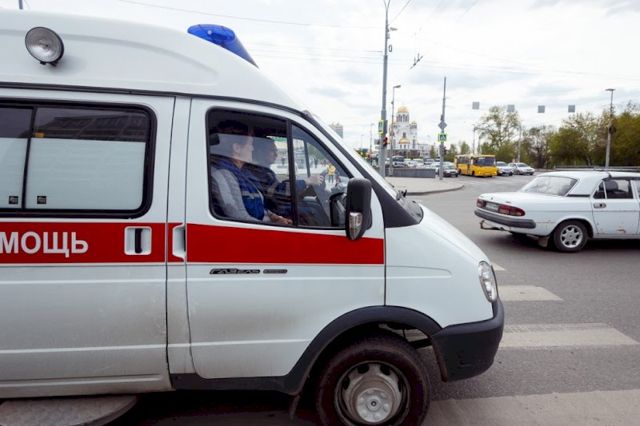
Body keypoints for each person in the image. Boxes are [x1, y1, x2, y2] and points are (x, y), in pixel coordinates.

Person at [209, 120, 291, 225]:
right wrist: (274, 226)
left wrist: (274, 217)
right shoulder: (224, 175)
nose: (252, 149)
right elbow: (239, 217)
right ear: (237, 148)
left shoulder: (243, 173)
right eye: (250, 144)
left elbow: (259, 204)